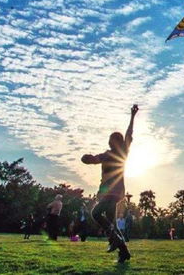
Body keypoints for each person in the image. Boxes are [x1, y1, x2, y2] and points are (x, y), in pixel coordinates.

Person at [81, 104, 138, 263]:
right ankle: (123, 251)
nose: (108, 141)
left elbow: (129, 134)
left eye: (111, 139)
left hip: (115, 192)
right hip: (107, 192)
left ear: (116, 141)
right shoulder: (105, 154)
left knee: (95, 213)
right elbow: (93, 159)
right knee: (110, 221)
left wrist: (132, 117)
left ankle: (116, 241)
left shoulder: (123, 152)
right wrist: (87, 158)